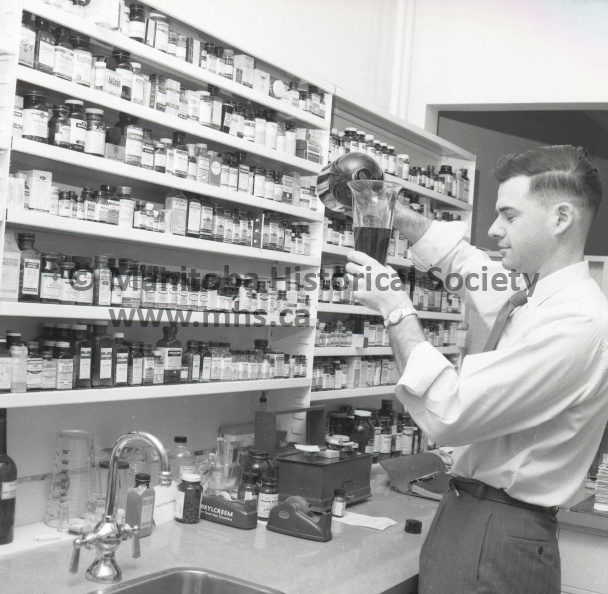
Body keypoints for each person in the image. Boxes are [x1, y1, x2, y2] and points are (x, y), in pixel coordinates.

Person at [345, 145, 608, 594]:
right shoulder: (534, 295)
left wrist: (395, 308)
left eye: (509, 215)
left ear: (561, 218)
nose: (493, 228)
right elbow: (465, 264)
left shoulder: (576, 323)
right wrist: (386, 209)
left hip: (498, 528)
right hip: (476, 517)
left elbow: (451, 411)